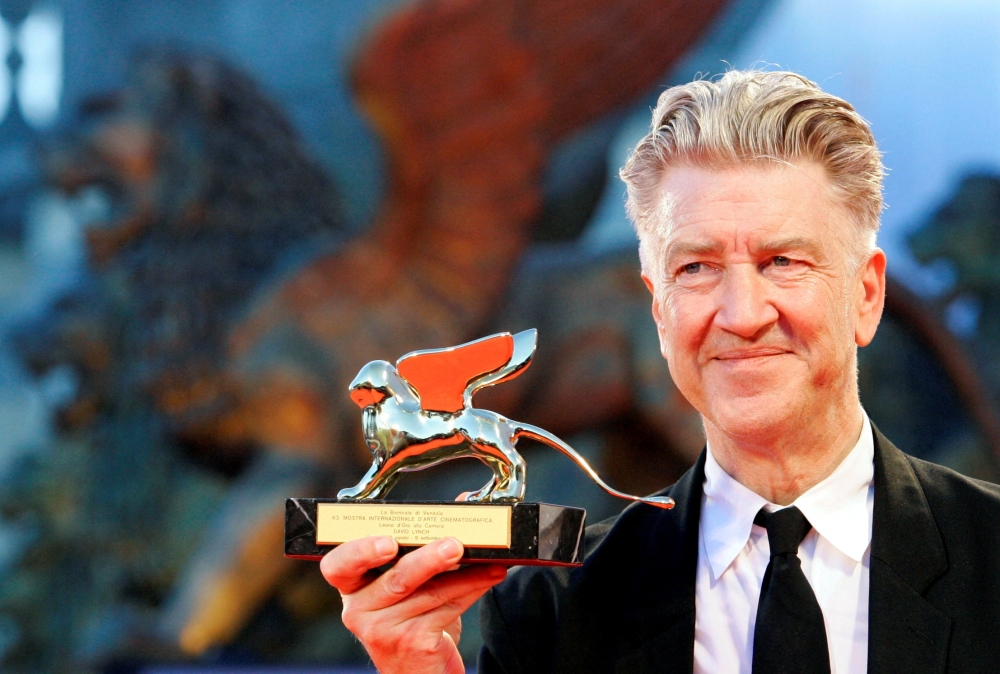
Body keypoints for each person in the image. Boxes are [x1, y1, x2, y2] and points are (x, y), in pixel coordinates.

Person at [319, 70, 1000, 673]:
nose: (740, 313)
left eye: (782, 262)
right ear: (659, 310)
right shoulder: (551, 609)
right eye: (696, 268)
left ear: (866, 295)